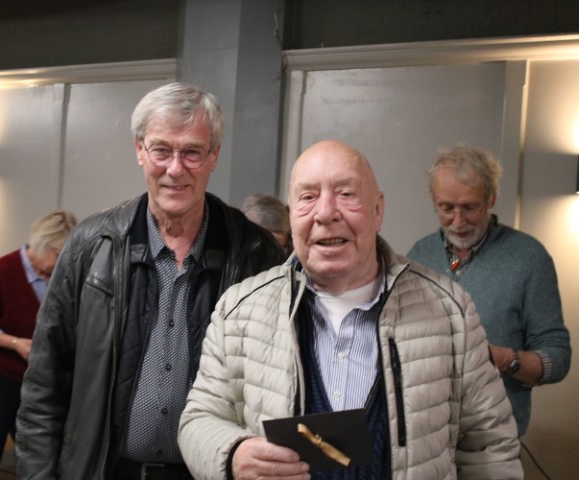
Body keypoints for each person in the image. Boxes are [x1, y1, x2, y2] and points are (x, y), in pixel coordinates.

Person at [178, 140, 522, 479]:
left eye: (345, 194)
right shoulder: (239, 310)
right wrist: (233, 454)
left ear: (378, 210)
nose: (326, 213)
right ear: (291, 216)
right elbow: (198, 420)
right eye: (308, 197)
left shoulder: (450, 312)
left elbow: (490, 448)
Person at [14, 82, 285, 480]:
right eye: (161, 150)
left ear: (214, 156)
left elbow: (279, 386)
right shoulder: (91, 245)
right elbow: (44, 385)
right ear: (140, 150)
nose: (175, 168)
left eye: (192, 152)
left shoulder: (255, 255)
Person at [407, 144, 571, 436]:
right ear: (434, 201)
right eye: (446, 208)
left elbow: (557, 359)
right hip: (427, 434)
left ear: (491, 199)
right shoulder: (420, 255)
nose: (458, 221)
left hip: (494, 438)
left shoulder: (529, 258)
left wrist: (501, 359)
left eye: (470, 207)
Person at [0, 209, 77, 480]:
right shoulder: (2, 270)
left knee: (40, 463)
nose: (63, 262)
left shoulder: (60, 277)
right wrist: (15, 343)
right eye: (59, 255)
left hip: (37, 383)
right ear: (44, 245)